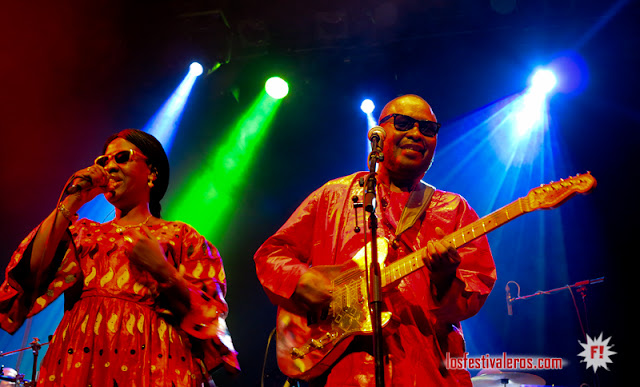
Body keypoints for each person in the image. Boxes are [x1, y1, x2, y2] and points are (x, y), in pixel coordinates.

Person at [254, 94, 496, 386]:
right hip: (342, 369)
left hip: (428, 370)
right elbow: (271, 255)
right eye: (404, 123)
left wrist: (445, 278)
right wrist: (300, 280)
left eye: (428, 129)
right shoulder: (334, 196)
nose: (416, 134)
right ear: (377, 135)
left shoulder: (454, 210)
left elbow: (474, 291)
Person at [0, 129, 240, 386]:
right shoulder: (82, 233)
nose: (109, 167)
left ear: (152, 172)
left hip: (156, 363)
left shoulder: (182, 236)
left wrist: (164, 271)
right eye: (103, 161)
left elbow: (210, 315)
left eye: (122, 157)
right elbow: (29, 270)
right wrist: (73, 200)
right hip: (81, 360)